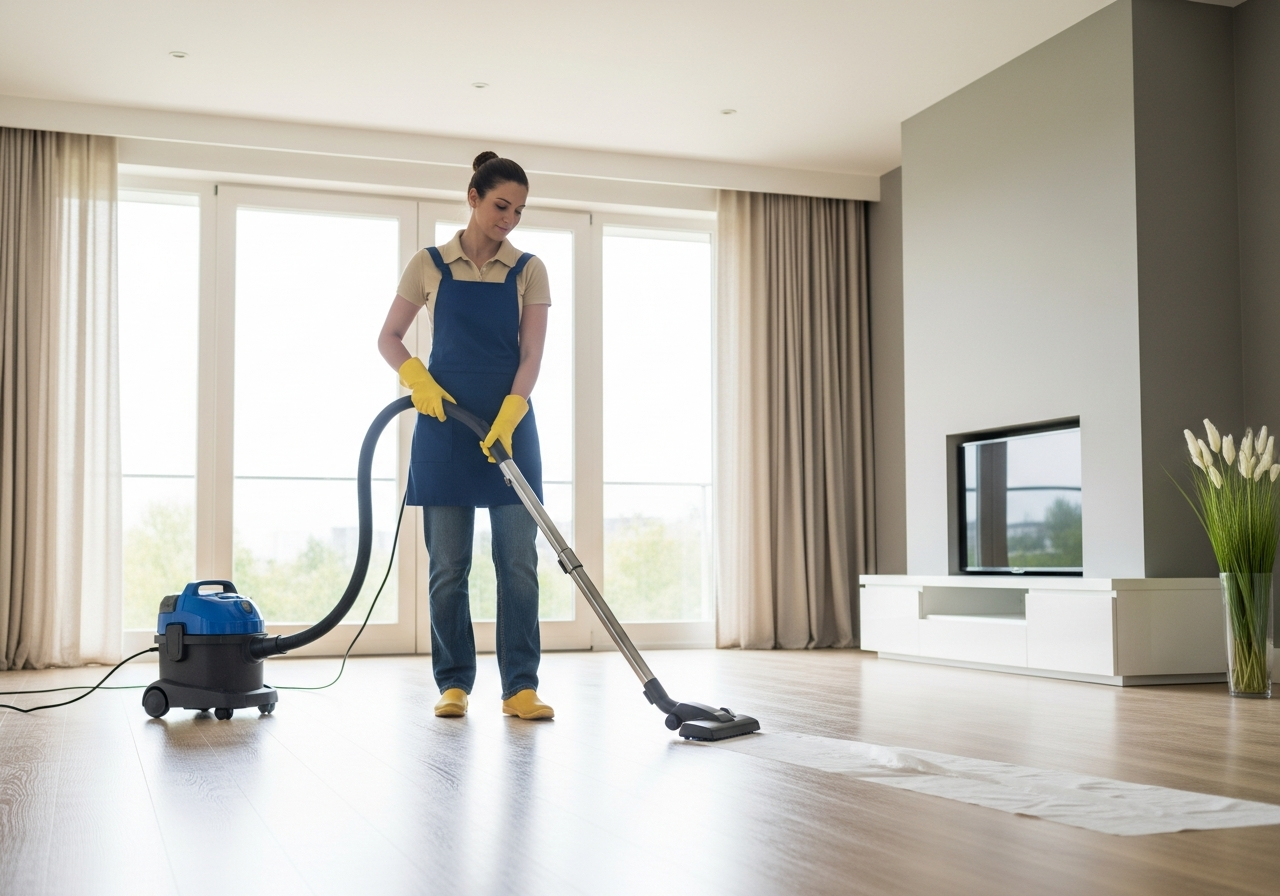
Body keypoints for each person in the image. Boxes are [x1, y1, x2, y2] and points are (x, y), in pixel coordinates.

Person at [377, 151, 553, 721]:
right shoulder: (428, 263)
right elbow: (390, 337)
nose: (510, 219)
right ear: (473, 198)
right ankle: (453, 682)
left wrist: (513, 410)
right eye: (501, 205)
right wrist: (416, 379)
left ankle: (520, 687)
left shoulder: (529, 269)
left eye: (519, 211)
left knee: (517, 562)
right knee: (448, 567)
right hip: (444, 425)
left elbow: (531, 354)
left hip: (509, 427)